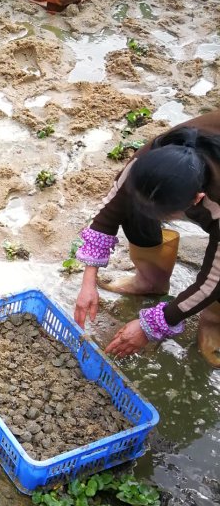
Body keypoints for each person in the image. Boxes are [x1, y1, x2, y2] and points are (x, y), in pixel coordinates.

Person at [74, 113, 220, 364]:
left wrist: (151, 325)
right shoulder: (147, 161)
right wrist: (88, 281)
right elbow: (109, 211)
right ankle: (151, 281)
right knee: (131, 207)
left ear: (196, 200)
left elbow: (214, 280)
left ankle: (214, 320)